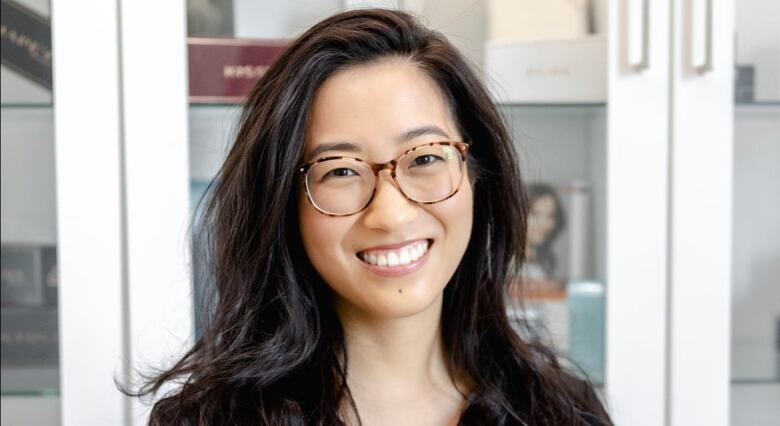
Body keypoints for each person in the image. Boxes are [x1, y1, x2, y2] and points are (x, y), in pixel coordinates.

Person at [127, 8, 612, 425]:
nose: (390, 213)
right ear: (282, 203)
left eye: (424, 158)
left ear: (476, 175)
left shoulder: (562, 411)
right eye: (339, 170)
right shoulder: (209, 420)